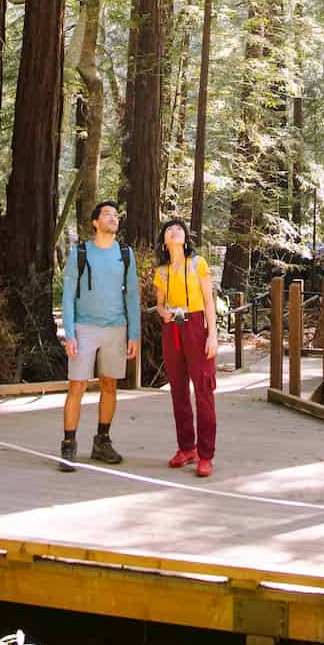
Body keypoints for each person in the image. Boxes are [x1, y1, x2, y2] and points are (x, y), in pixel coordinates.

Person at [59, 200, 140, 471]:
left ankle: (102, 442)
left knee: (109, 385)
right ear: (95, 222)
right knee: (77, 386)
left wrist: (134, 334)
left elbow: (131, 295)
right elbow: (68, 295)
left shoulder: (126, 254)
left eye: (116, 215)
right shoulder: (80, 253)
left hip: (116, 328)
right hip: (84, 328)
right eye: (107, 214)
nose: (113, 218)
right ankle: (68, 445)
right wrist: (69, 334)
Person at [154, 218, 217, 477]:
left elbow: (209, 301)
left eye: (180, 228)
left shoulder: (197, 263)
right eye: (170, 229)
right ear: (165, 240)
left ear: (186, 237)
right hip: (172, 330)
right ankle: (186, 448)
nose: (175, 231)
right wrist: (163, 313)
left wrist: (212, 335)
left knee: (203, 390)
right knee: (178, 391)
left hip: (196, 326)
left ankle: (205, 455)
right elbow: (159, 304)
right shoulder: (162, 271)